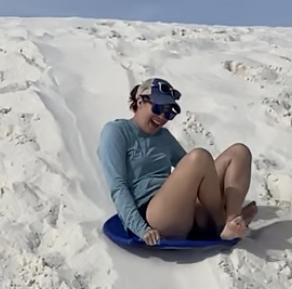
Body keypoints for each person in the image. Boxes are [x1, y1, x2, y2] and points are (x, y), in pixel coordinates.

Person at [98, 77, 257, 246]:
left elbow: (194, 172)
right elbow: (118, 186)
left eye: (168, 112)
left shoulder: (163, 137)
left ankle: (232, 220)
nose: (162, 117)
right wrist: (141, 229)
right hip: (152, 215)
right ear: (139, 101)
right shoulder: (116, 132)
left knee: (239, 152)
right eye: (158, 107)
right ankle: (220, 224)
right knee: (199, 157)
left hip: (181, 209)